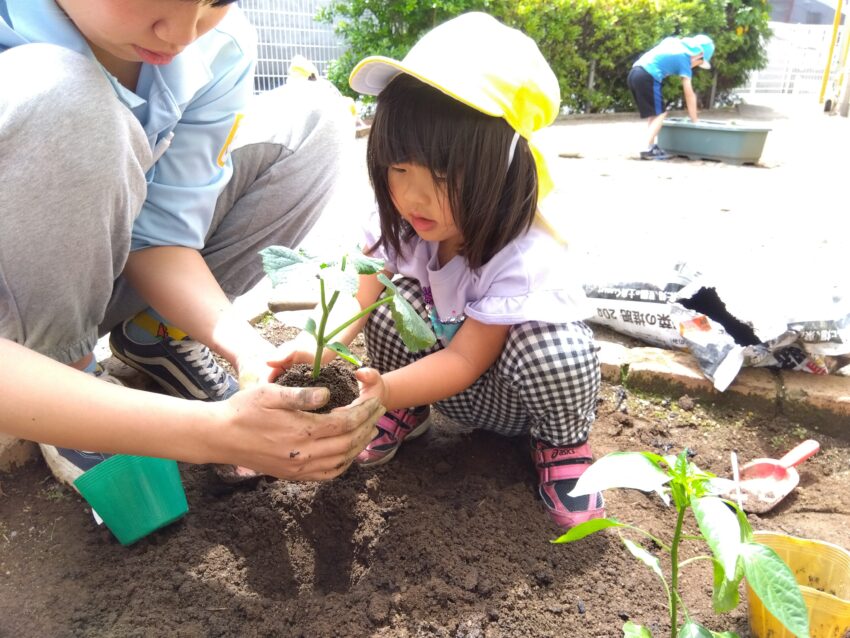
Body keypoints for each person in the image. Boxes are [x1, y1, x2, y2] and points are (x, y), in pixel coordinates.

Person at [0, 0, 383, 485]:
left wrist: (249, 351)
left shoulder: (215, 47)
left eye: (215, 0)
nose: (181, 33)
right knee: (60, 94)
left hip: (112, 262)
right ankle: (65, 373)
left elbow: (159, 234)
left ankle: (156, 333)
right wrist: (214, 432)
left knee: (317, 116)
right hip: (16, 305)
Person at [277, 12, 604, 529]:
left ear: (507, 167)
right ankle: (411, 412)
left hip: (511, 401)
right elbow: (359, 294)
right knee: (391, 292)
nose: (411, 196)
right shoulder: (406, 222)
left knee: (556, 350)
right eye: (398, 167)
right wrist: (316, 338)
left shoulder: (524, 254)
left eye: (444, 174)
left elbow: (467, 360)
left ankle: (562, 444)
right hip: (439, 386)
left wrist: (379, 390)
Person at [627, 34, 715, 160]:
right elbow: (689, 94)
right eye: (699, 63)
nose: (696, 66)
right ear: (699, 55)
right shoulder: (684, 58)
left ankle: (650, 146)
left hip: (634, 73)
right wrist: (695, 120)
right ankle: (646, 147)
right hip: (648, 75)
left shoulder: (674, 44)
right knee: (660, 114)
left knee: (655, 113)